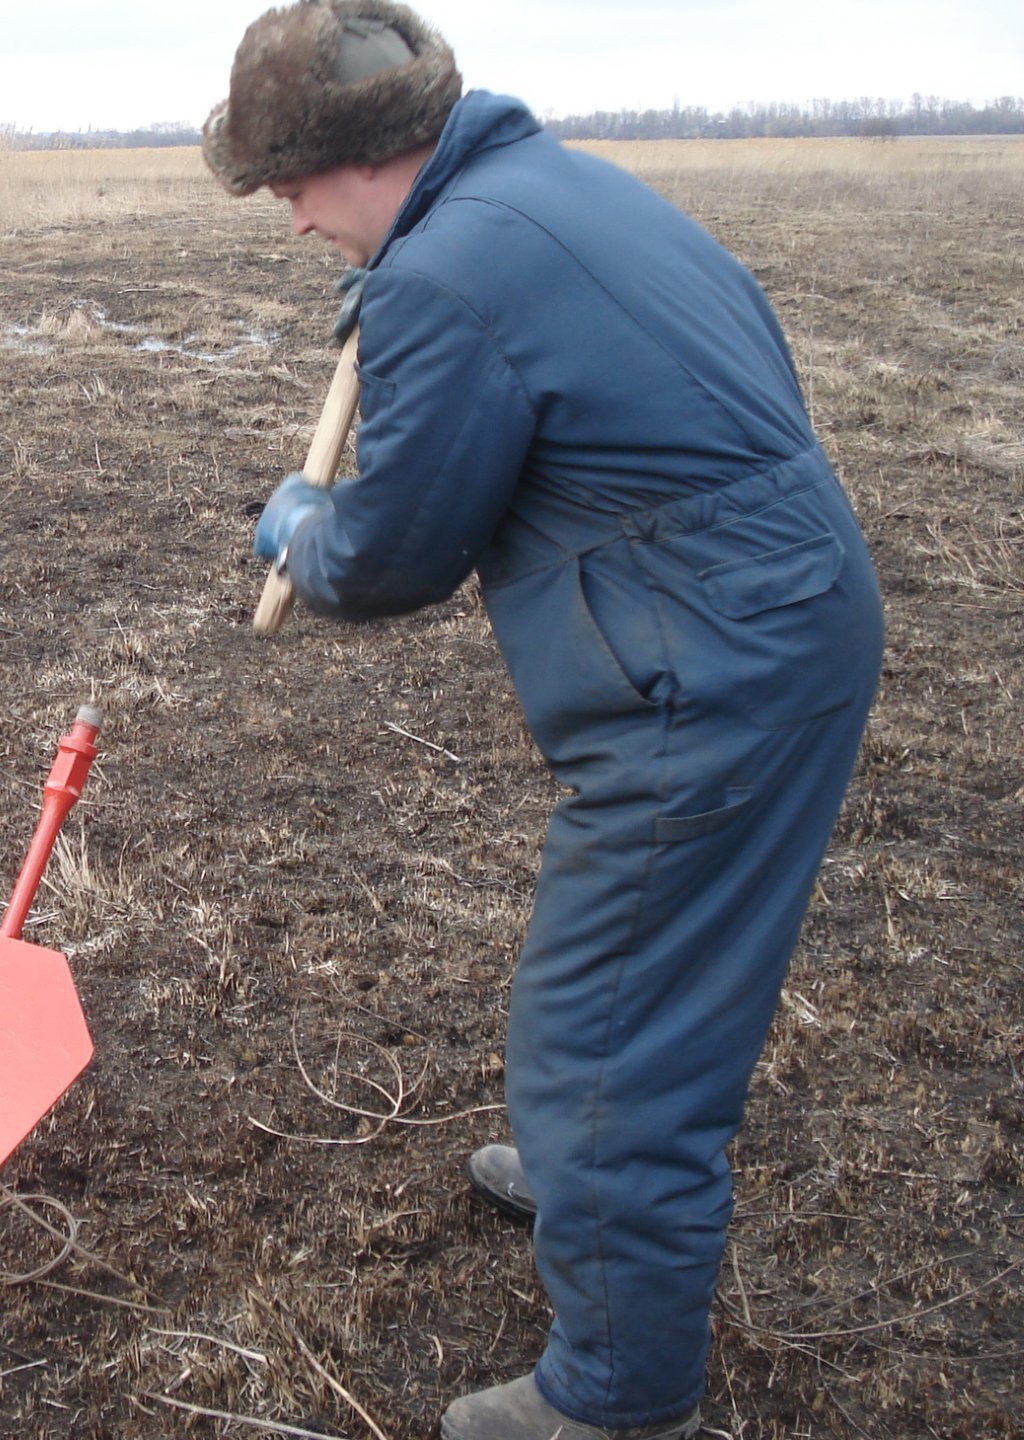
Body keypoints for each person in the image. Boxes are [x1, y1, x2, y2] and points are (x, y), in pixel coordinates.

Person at [202, 4, 885, 1438]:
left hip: (713, 674)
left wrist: (297, 519)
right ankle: (591, 1176)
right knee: (643, 1000)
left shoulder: (449, 272)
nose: (282, 215)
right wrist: (414, 305)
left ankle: (621, 1399)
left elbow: (389, 559)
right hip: (774, 615)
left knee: (603, 1035)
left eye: (284, 179)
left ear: (365, 155)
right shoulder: (542, 196)